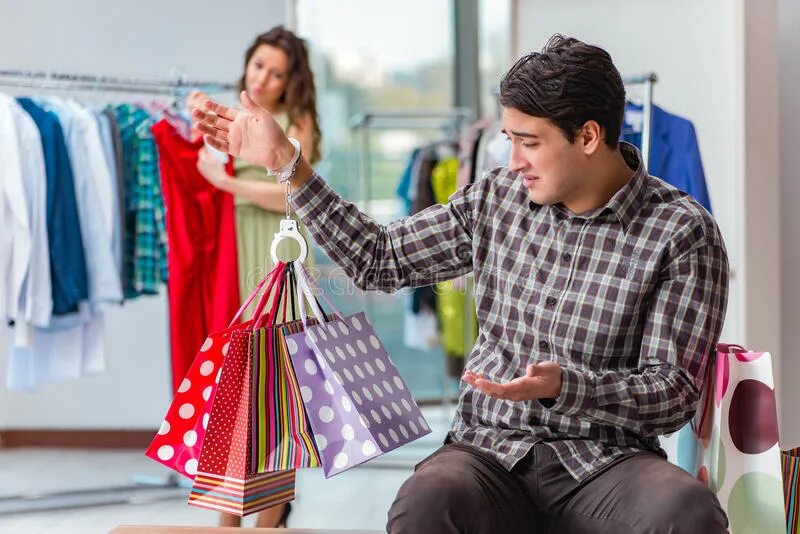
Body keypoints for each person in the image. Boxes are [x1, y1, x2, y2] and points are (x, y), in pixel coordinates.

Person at [194, 35, 730, 533]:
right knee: (425, 501)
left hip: (608, 463)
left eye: (530, 142)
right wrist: (287, 163)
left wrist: (567, 386)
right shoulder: (496, 198)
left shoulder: (681, 232)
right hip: (488, 453)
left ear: (588, 136)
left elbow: (672, 394)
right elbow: (378, 258)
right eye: (509, 140)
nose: (513, 161)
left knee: (686, 511)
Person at [188, 26, 321, 529]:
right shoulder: (239, 117)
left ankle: (266, 522)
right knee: (234, 395)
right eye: (258, 66)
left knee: (276, 401)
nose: (263, 78)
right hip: (235, 256)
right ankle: (228, 519)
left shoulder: (296, 121)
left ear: (292, 82)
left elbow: (293, 194)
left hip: (275, 259)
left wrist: (225, 182)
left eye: (277, 72)